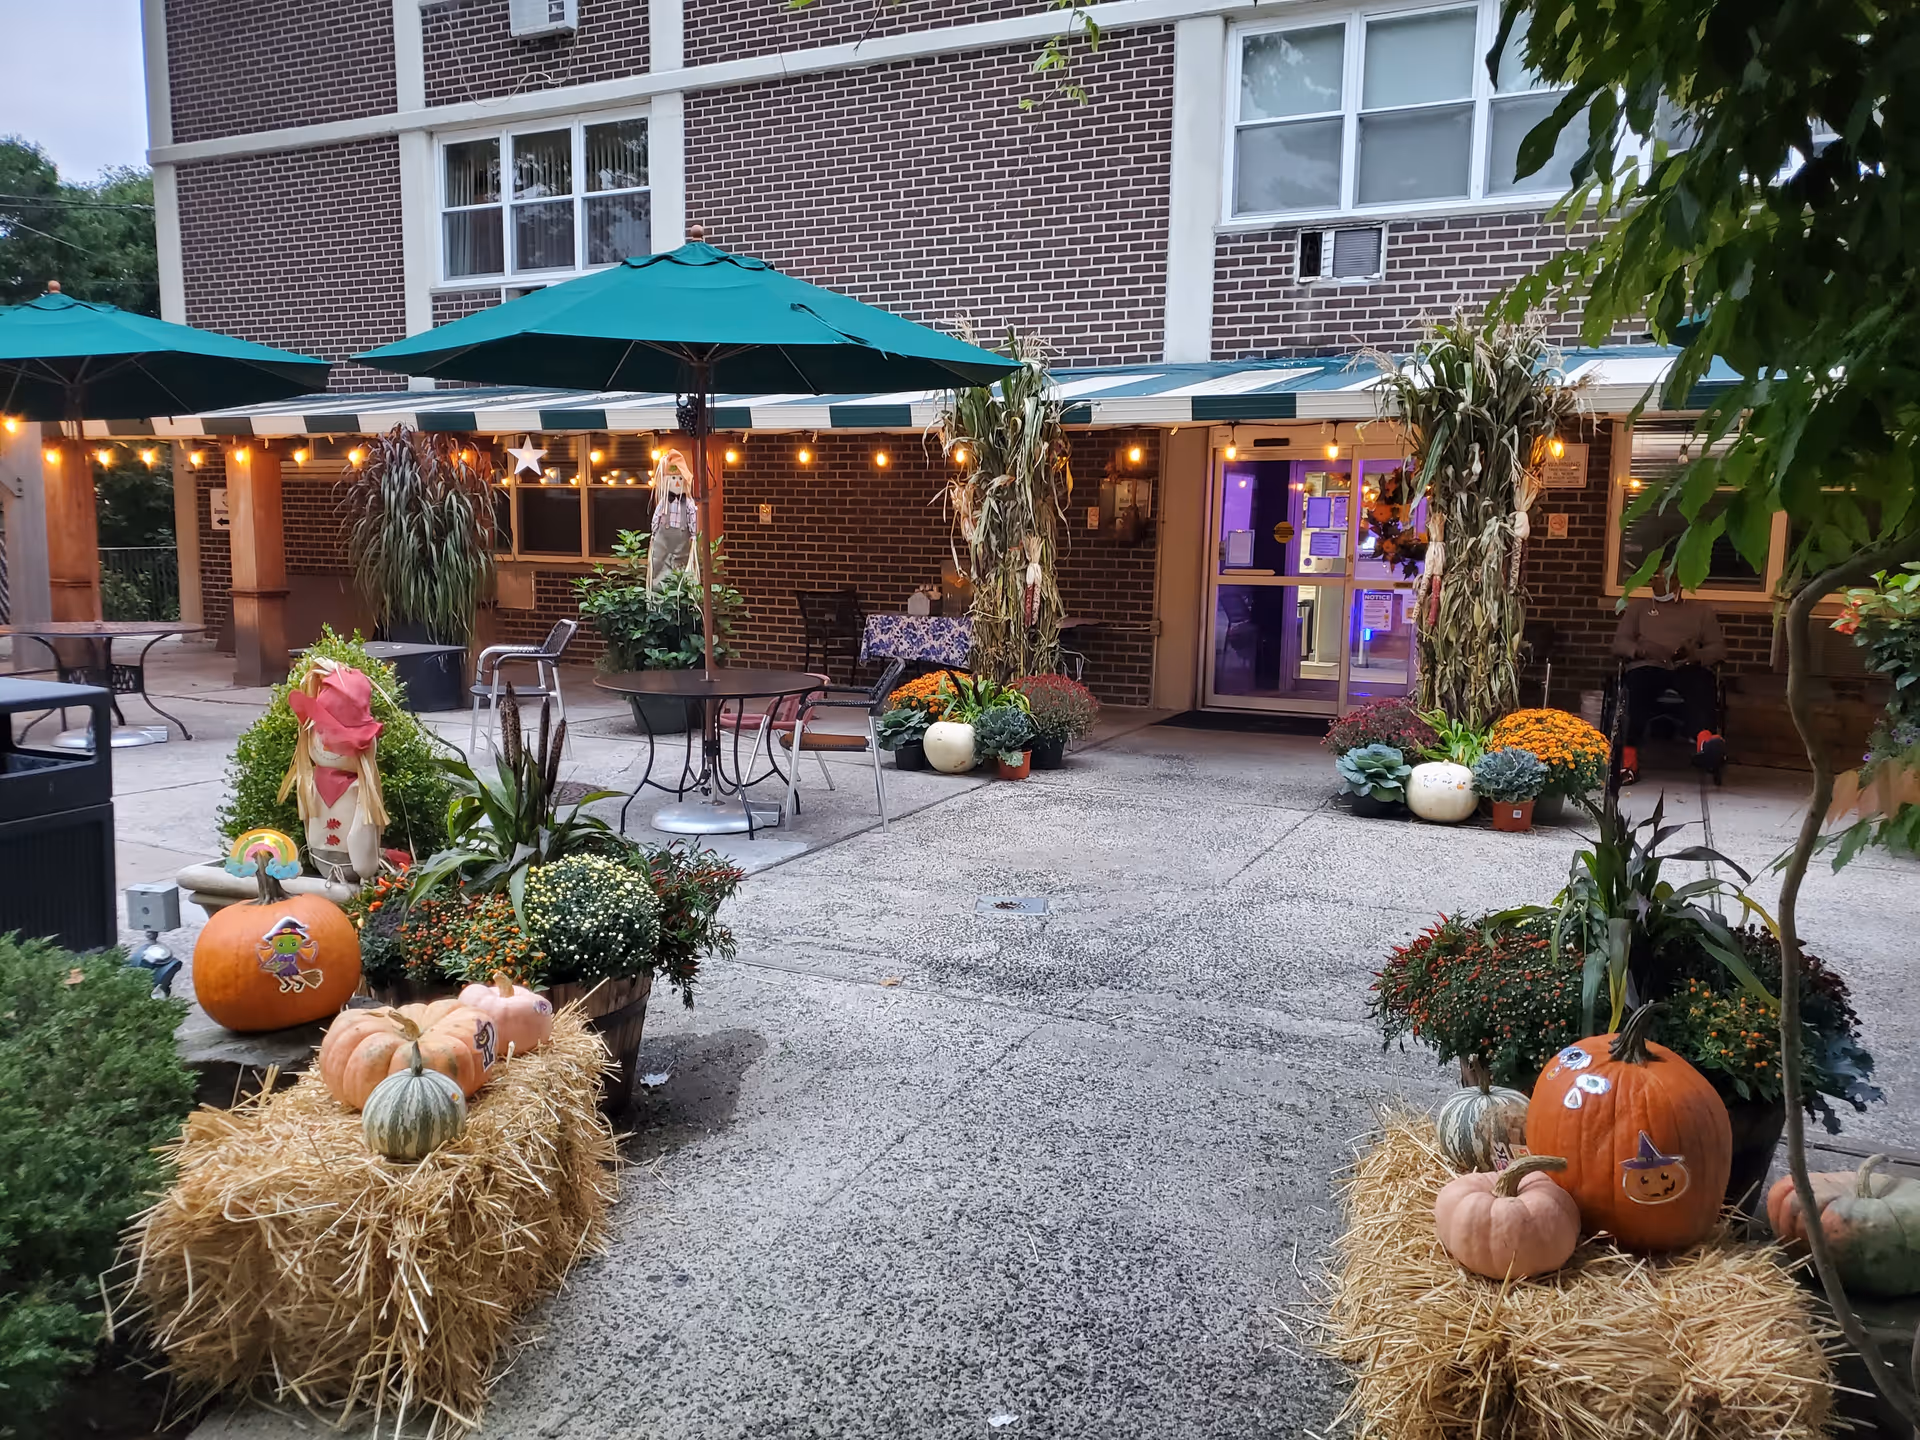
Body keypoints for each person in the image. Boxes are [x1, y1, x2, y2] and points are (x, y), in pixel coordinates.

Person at [1609, 568, 1727, 785]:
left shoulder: (1700, 611)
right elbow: (1619, 643)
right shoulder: (1638, 609)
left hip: (1686, 665)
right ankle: (1628, 761)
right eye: (1655, 577)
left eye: (1666, 577)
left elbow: (1718, 649)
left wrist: (1695, 655)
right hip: (1648, 665)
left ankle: (1706, 745)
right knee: (1636, 689)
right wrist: (1641, 651)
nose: (1658, 582)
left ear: (1679, 582)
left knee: (1702, 684)